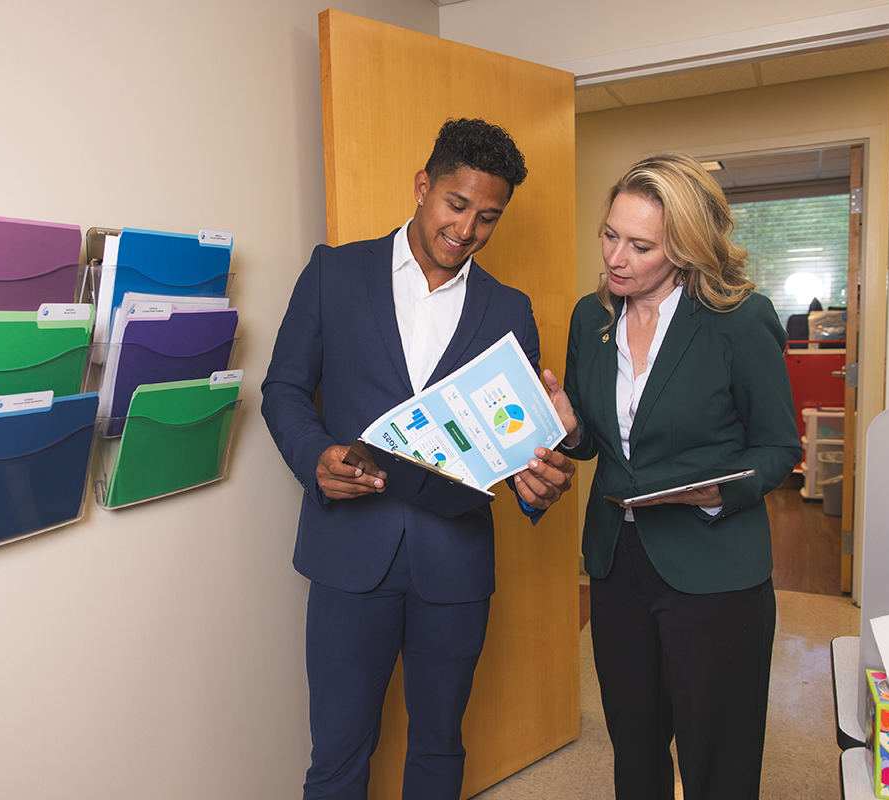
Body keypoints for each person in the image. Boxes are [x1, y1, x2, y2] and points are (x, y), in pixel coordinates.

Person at [261, 118, 575, 800]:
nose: (466, 230)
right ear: (422, 186)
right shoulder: (334, 272)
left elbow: (514, 447)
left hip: (455, 566)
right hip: (348, 555)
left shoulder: (511, 311)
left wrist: (537, 487)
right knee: (339, 753)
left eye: (487, 218)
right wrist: (314, 456)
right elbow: (282, 387)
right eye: (456, 205)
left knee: (439, 746)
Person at [542, 152, 801, 800]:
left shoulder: (739, 321)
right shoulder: (591, 319)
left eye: (640, 245)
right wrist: (570, 429)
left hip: (713, 564)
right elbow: (599, 443)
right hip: (616, 560)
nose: (615, 258)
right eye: (609, 235)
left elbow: (778, 446)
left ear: (684, 249)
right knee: (634, 744)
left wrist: (724, 490)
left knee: (719, 758)